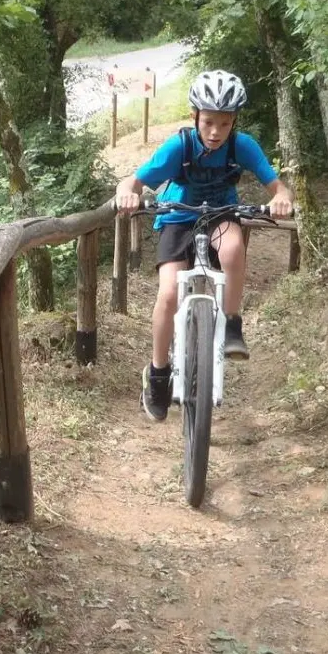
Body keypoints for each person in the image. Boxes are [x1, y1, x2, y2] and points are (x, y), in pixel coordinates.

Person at [114, 69, 294, 422]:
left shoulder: (242, 146)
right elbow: (133, 181)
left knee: (233, 249)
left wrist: (282, 199)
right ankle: (158, 373)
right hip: (177, 216)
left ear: (234, 121)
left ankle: (231, 323)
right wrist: (126, 194)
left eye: (224, 124)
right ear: (195, 116)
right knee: (169, 293)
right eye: (208, 122)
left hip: (221, 214)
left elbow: (279, 187)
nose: (215, 132)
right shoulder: (178, 147)